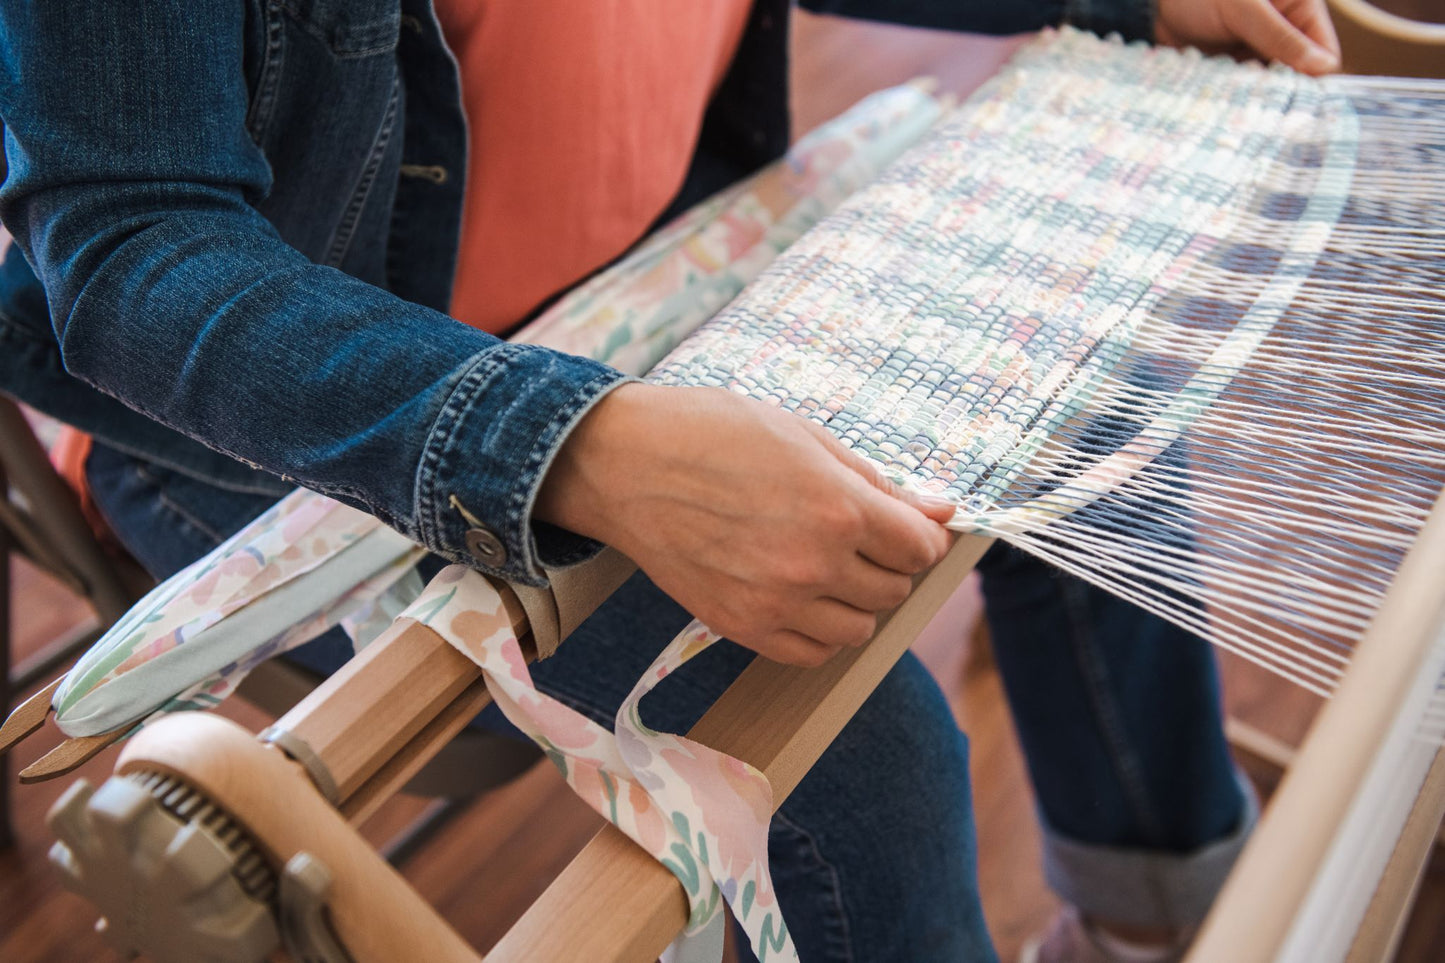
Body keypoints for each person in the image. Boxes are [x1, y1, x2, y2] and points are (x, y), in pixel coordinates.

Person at [0, 1, 1338, 960]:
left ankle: (1163, 919)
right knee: (855, 762)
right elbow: (132, 253)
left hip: (642, 283)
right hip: (271, 405)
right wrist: (583, 444)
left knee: (1089, 426)